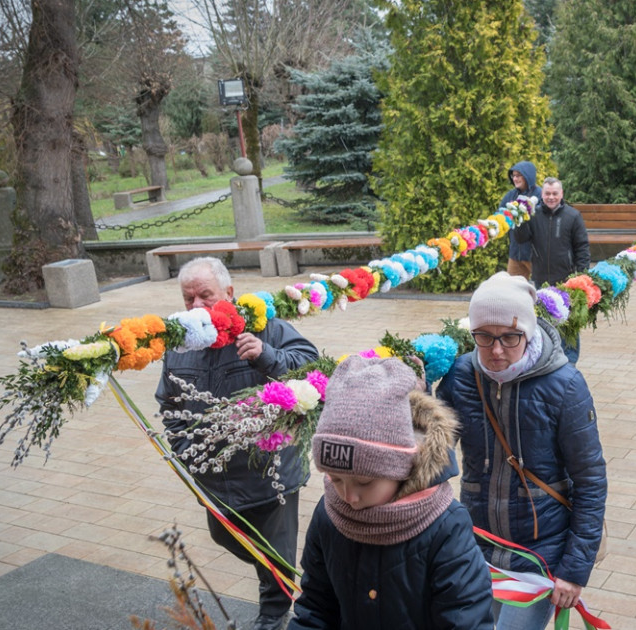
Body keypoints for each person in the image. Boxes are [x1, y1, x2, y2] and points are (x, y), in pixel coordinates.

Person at [435, 272, 607, 630]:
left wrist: (573, 571)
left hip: (539, 556)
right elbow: (433, 460)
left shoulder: (565, 386)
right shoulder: (460, 377)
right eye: (484, 336)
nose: (496, 350)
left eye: (510, 337)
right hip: (476, 548)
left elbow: (590, 480)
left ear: (527, 332)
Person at [156, 257, 319, 630]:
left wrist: (267, 356)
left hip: (269, 471)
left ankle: (274, 613)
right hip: (214, 476)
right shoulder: (180, 344)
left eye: (205, 296)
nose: (196, 307)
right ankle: (285, 578)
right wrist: (185, 449)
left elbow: (311, 365)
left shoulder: (267, 328)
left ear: (229, 294)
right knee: (225, 535)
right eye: (188, 299)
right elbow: (168, 402)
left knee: (274, 549)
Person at [289, 356, 495, 630]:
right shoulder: (329, 514)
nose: (349, 497)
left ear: (401, 468)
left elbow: (466, 619)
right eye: (336, 479)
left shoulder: (445, 526)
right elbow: (315, 608)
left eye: (365, 482)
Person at [513, 176, 590, 363]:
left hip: (567, 280)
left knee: (568, 323)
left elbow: (582, 247)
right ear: (542, 194)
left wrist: (582, 276)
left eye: (555, 193)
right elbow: (521, 238)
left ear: (561, 194)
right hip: (541, 279)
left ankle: (570, 361)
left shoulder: (573, 216)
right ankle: (548, 358)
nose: (551, 197)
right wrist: (520, 218)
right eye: (547, 193)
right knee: (545, 321)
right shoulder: (534, 215)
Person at [502, 161, 543, 280]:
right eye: (513, 176)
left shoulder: (540, 194)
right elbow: (500, 214)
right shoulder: (510, 195)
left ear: (528, 176)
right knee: (512, 289)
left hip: (535, 254)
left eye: (518, 175)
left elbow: (542, 218)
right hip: (515, 253)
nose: (515, 179)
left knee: (542, 288)